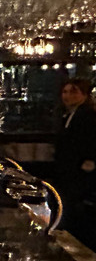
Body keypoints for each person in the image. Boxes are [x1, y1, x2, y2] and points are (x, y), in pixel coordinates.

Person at [54, 78, 96, 247]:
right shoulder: (70, 115)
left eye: (73, 92)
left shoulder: (87, 116)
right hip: (69, 172)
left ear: (84, 95)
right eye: (65, 92)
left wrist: (88, 163)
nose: (68, 96)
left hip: (79, 175)